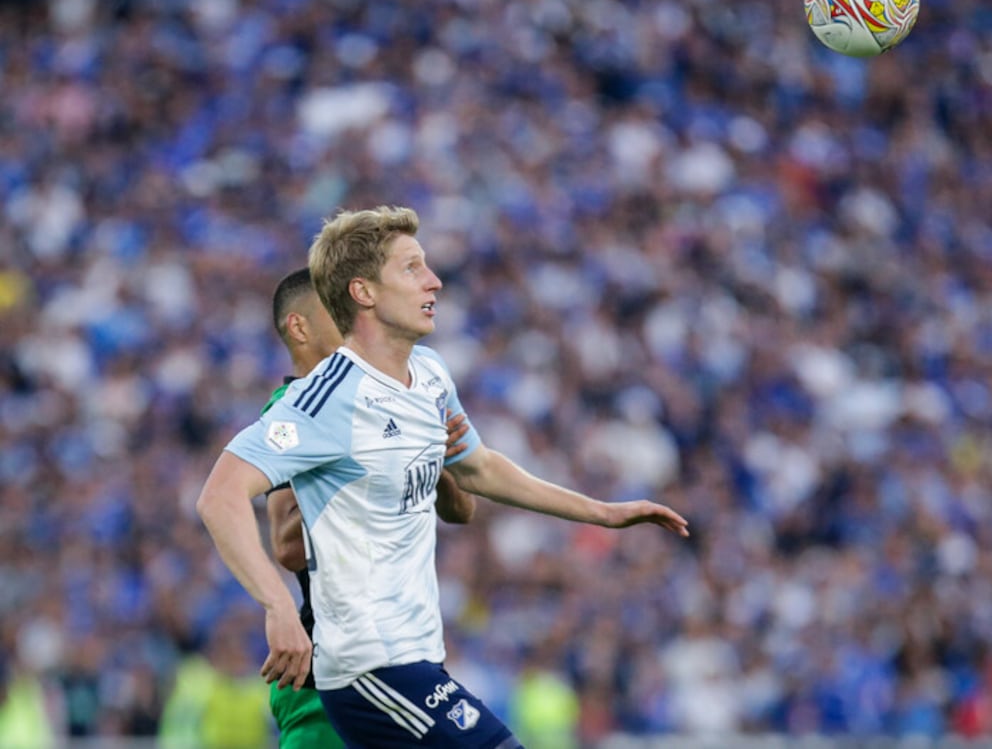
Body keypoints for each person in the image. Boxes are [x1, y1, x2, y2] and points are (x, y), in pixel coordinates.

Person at [197, 205, 689, 748]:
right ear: (364, 293)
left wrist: (604, 511)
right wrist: (279, 606)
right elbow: (221, 496)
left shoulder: (429, 374)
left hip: (419, 655)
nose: (433, 281)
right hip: (369, 666)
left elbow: (477, 467)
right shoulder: (323, 399)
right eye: (411, 269)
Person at [262, 267, 478, 748]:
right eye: (336, 312)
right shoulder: (290, 410)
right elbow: (287, 547)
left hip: (404, 658)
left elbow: (463, 510)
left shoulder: (394, 398)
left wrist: (434, 456)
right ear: (299, 328)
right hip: (333, 678)